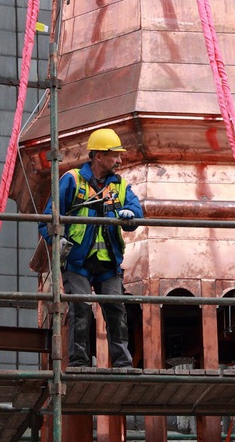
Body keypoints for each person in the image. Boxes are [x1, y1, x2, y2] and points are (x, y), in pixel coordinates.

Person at [39, 128, 142, 368]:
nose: (119, 160)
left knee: (116, 309)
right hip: (77, 261)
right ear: (98, 156)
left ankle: (122, 363)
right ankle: (78, 362)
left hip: (107, 262)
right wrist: (56, 240)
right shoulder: (72, 180)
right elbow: (49, 217)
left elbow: (136, 210)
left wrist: (131, 214)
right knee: (80, 309)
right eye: (115, 155)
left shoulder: (120, 185)